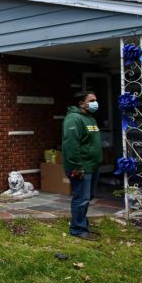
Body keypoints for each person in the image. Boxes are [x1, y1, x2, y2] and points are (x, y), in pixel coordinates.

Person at [62, 91, 103, 240]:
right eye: (91, 100)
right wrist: (77, 166)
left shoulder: (90, 118)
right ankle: (78, 229)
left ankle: (82, 224)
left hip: (92, 165)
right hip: (81, 167)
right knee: (81, 198)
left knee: (87, 197)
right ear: (81, 103)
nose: (95, 103)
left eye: (95, 100)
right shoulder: (73, 119)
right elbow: (71, 145)